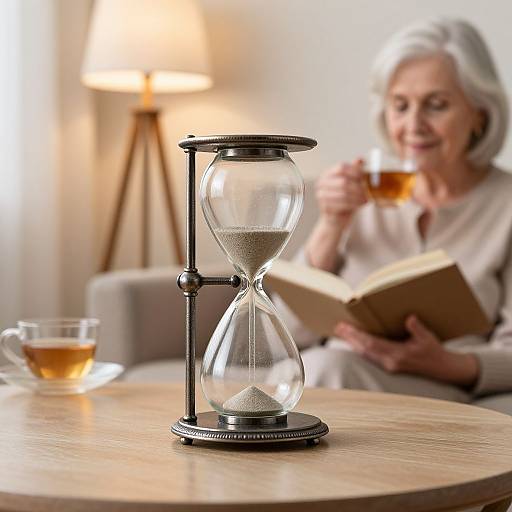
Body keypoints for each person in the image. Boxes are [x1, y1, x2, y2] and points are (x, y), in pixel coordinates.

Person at [276, 17, 512, 402]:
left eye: (436, 106)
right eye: (400, 106)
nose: (413, 125)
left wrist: (446, 363)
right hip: (334, 372)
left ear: (479, 115)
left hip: (433, 388)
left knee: (320, 372)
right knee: (309, 371)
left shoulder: (505, 205)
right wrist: (332, 224)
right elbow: (284, 332)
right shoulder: (363, 192)